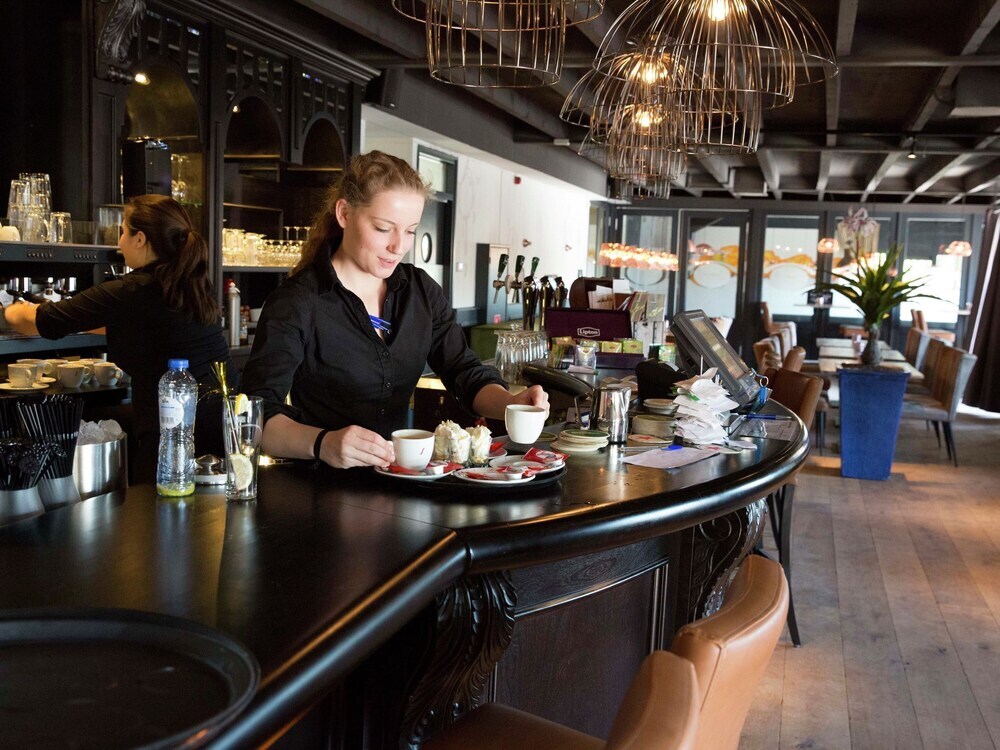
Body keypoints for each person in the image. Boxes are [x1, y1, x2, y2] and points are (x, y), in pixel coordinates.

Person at [240, 151, 548, 469]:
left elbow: (464, 372)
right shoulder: (298, 302)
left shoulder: (420, 292)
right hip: (320, 486)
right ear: (344, 213)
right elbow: (253, 416)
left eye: (411, 230)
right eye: (383, 228)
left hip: (401, 479)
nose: (398, 246)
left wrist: (511, 403)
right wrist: (323, 443)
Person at [2, 194, 232, 482]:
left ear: (140, 239)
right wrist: (82, 320)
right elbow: (142, 325)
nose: (119, 243)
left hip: (171, 438)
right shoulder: (190, 285)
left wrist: (9, 309)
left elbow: (38, 321)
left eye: (122, 232)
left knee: (159, 507)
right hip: (222, 428)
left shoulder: (131, 290)